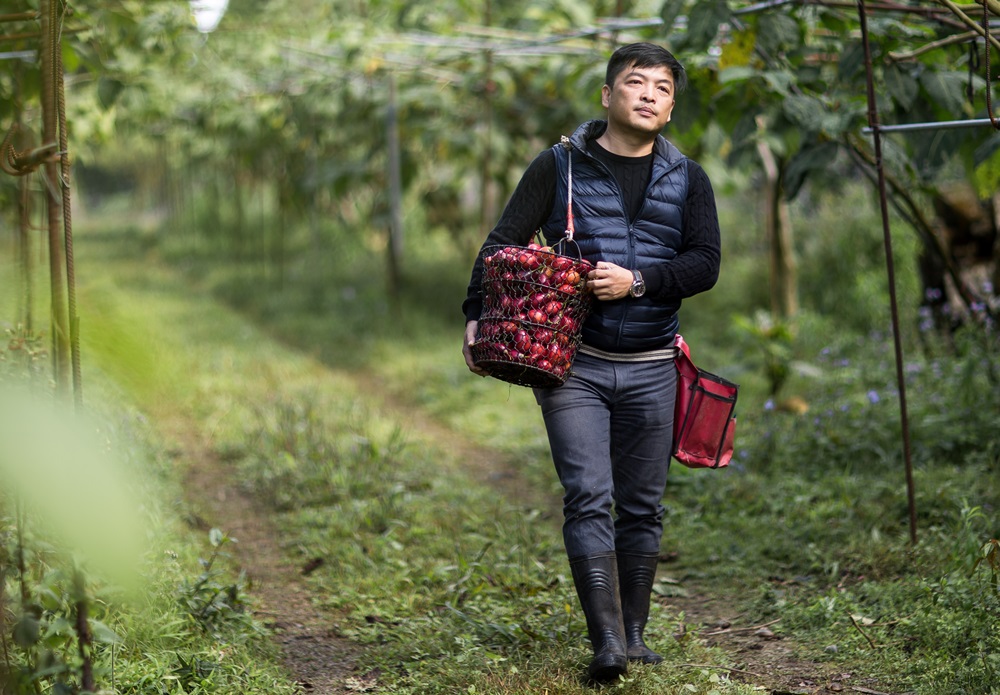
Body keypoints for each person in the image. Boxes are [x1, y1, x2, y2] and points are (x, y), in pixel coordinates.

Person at [461, 42, 722, 683]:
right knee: (587, 497)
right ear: (608, 95)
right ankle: (605, 641)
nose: (649, 95)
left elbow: (705, 263)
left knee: (643, 506)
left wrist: (639, 281)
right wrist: (475, 313)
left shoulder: (688, 177)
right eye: (636, 83)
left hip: (654, 365)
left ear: (670, 107)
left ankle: (635, 637)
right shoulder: (560, 166)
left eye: (663, 88)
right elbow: (501, 243)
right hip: (572, 363)